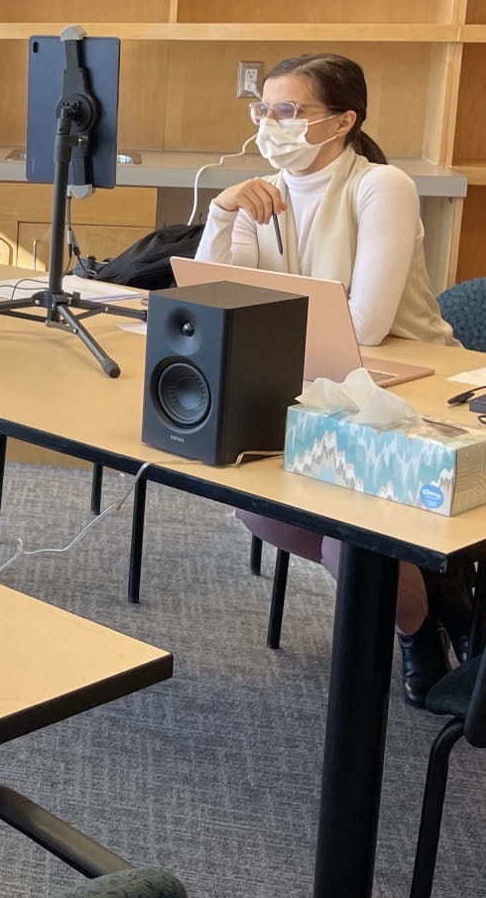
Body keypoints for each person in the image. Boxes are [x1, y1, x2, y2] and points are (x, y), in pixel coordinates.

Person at [194, 52, 465, 708]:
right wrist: (223, 213)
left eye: (290, 111)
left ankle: (415, 628)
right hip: (317, 376)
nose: (271, 124)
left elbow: (369, 324)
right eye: (265, 110)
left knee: (347, 526)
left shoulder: (381, 185)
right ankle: (436, 602)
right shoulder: (265, 191)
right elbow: (211, 296)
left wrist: (270, 307)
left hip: (409, 380)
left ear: (343, 121)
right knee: (260, 510)